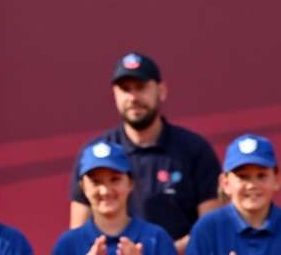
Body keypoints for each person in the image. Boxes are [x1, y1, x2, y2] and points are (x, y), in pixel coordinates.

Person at [69, 52, 221, 253]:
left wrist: (162, 250)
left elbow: (210, 231)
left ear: (162, 90)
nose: (133, 97)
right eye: (125, 89)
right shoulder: (93, 155)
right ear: (115, 94)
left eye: (141, 88)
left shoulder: (194, 149)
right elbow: (78, 233)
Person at [54, 141, 177, 255]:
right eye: (96, 182)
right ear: (83, 187)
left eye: (115, 179)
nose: (105, 191)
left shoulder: (157, 238)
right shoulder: (68, 244)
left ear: (130, 183)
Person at [187, 134, 281, 255]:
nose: (252, 185)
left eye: (261, 176)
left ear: (277, 180)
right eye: (243, 177)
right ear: (225, 183)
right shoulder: (207, 229)